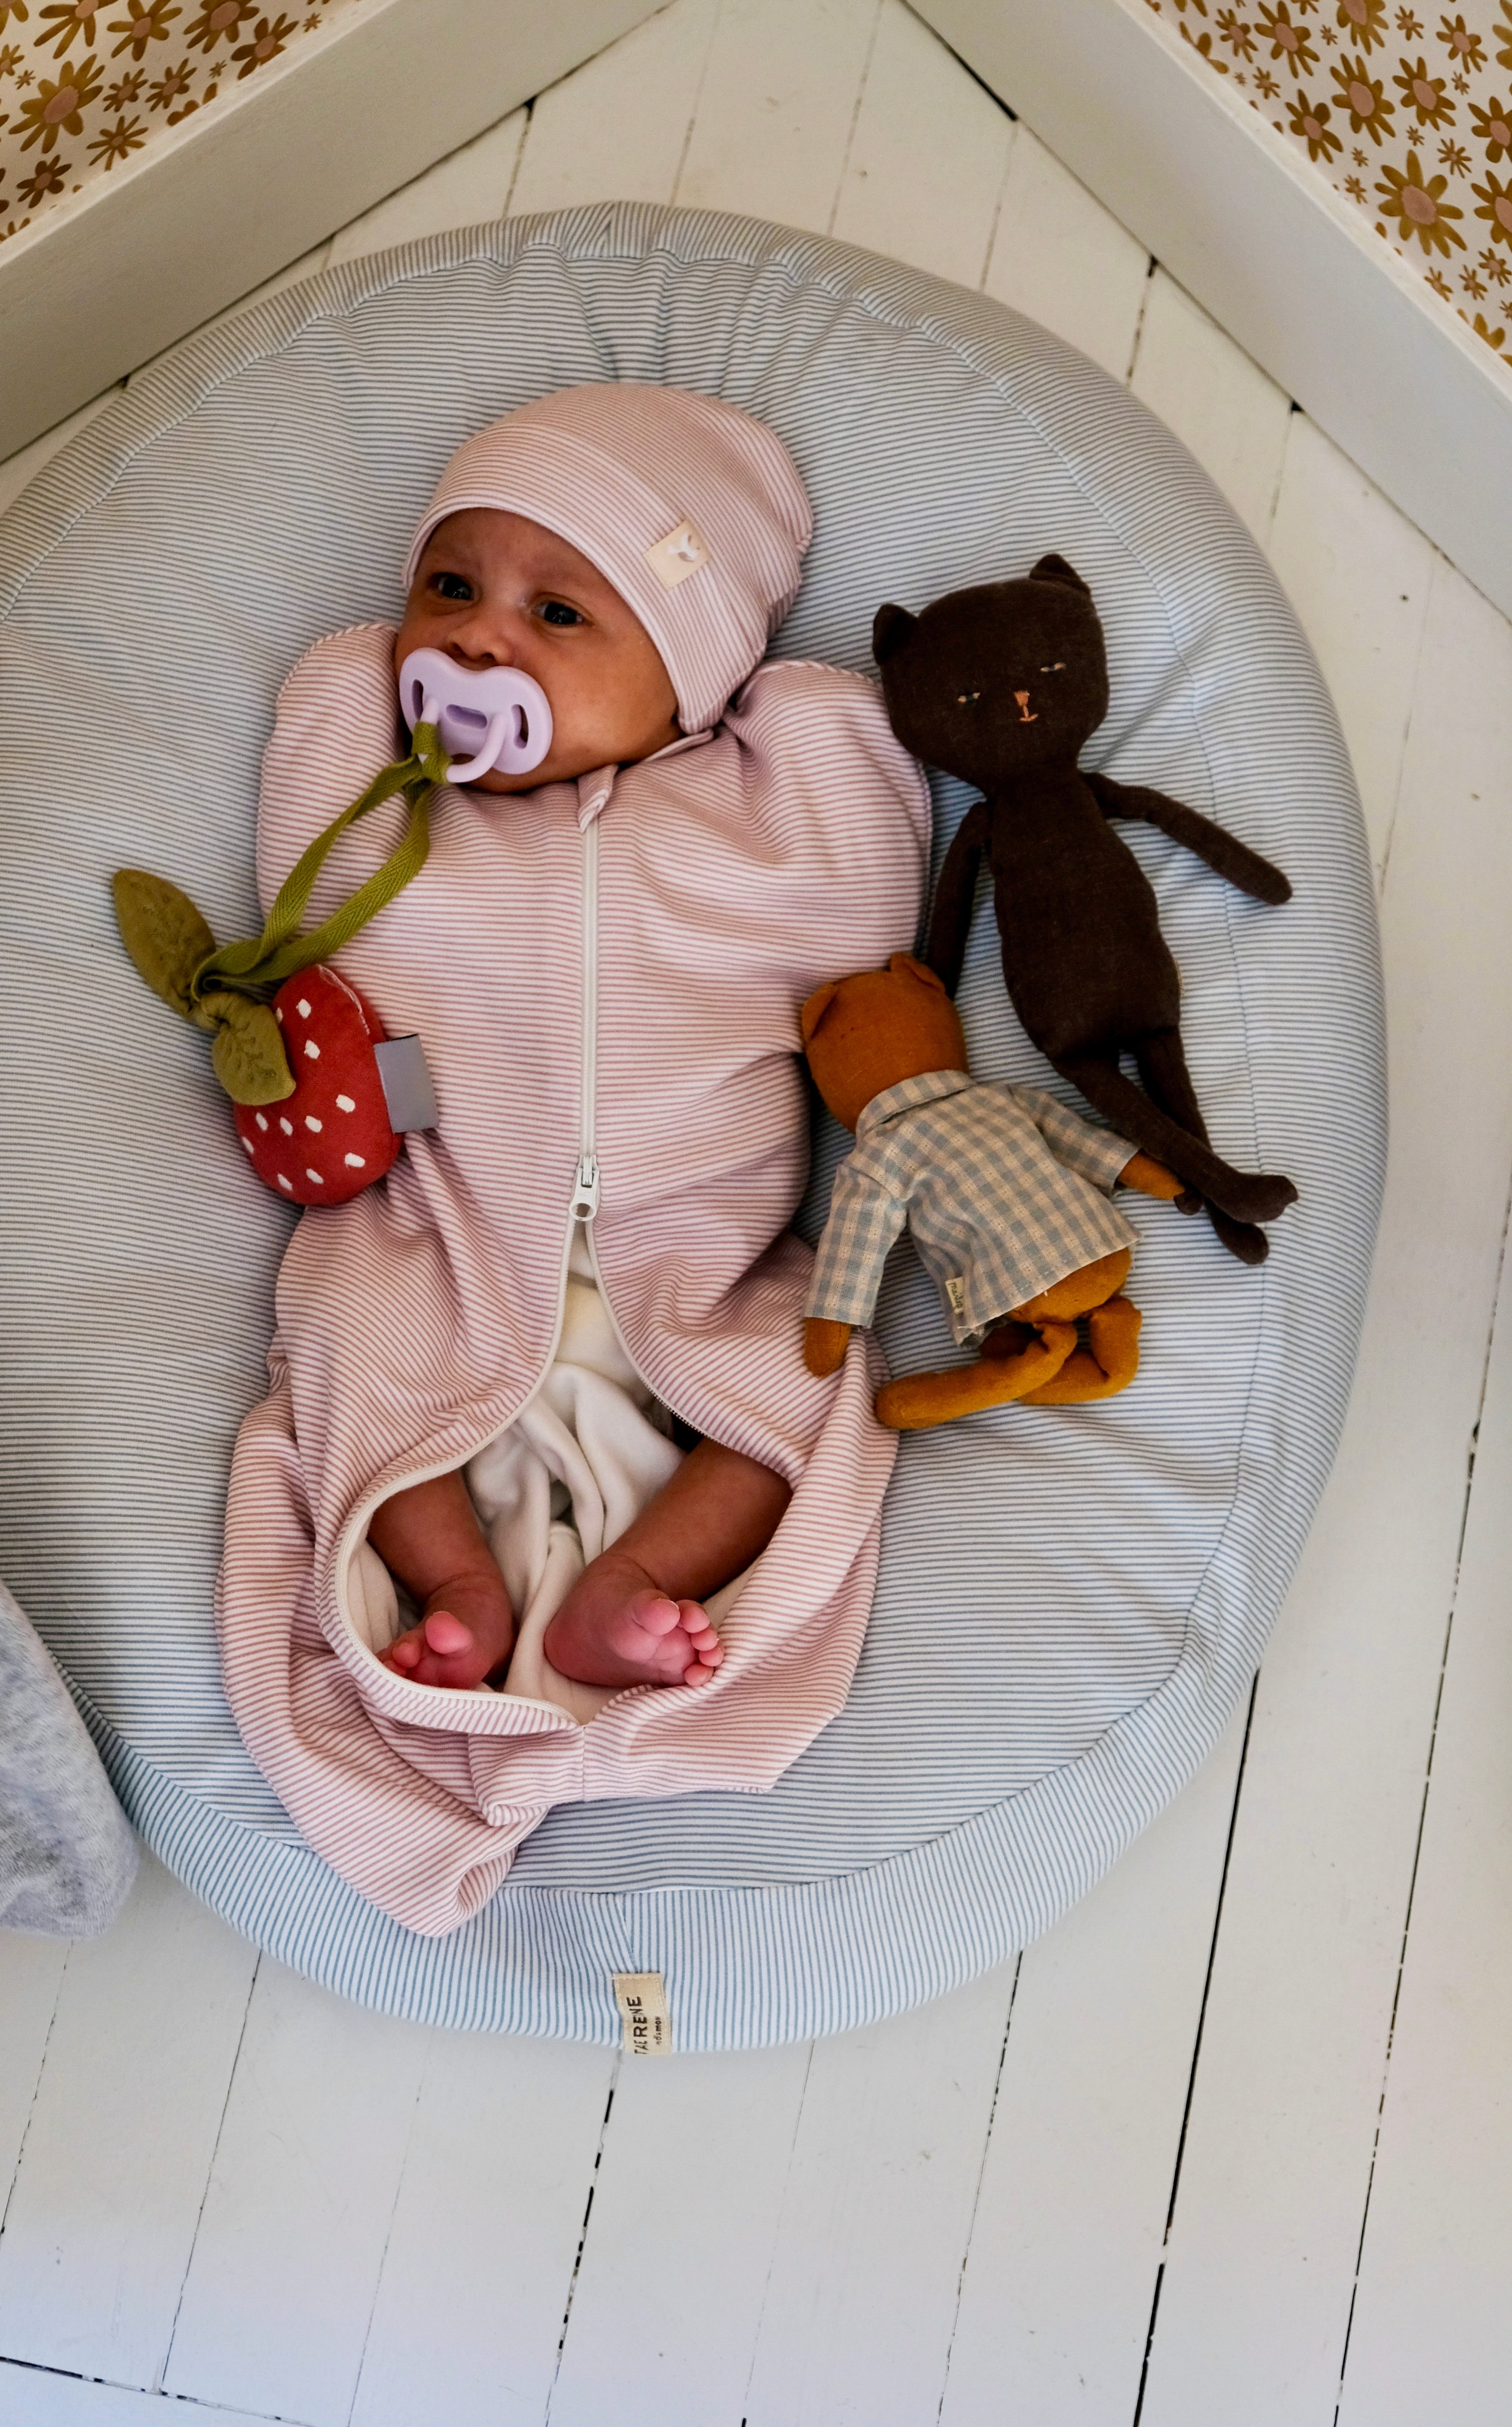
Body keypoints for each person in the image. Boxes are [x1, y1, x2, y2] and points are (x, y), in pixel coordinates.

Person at [218, 382, 930, 1932]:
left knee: (805, 1404)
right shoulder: (401, 833)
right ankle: (454, 1581)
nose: (480, 643)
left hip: (701, 1262)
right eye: (448, 588)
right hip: (447, 1231)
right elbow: (305, 887)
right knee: (354, 1362)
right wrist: (352, 688)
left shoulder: (743, 830)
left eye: (558, 613)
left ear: (688, 680)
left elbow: (867, 904)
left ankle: (624, 1593)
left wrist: (785, 714)